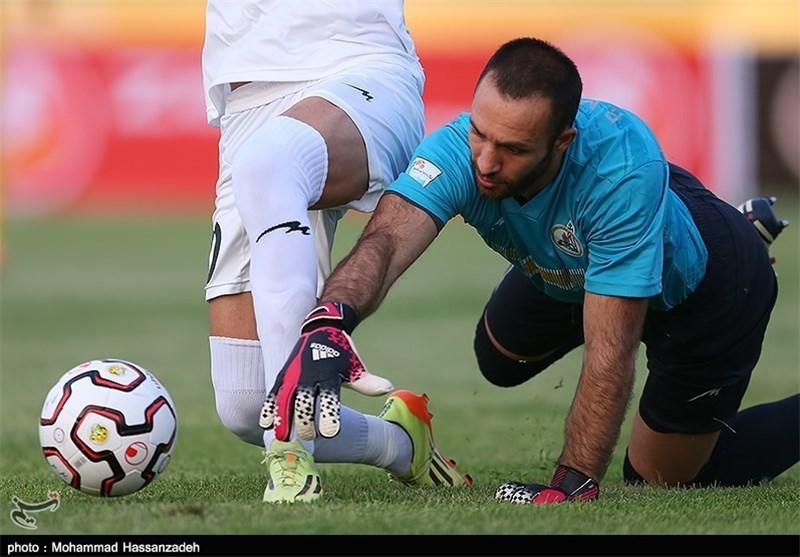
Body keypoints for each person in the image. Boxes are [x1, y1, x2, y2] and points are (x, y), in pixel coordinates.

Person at [262, 36, 799, 503]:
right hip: (596, 246)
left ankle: (735, 235)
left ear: (562, 142)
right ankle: (718, 221)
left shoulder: (616, 177)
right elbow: (385, 240)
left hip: (707, 291)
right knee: (499, 356)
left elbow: (610, 352)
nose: (487, 164)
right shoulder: (462, 150)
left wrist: (575, 479)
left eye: (514, 149)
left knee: (656, 480)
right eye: (481, 135)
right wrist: (330, 321)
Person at [201, 0, 471, 503]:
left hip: (356, 65)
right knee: (242, 404)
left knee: (267, 161)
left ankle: (287, 451)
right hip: (245, 91)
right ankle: (401, 443)